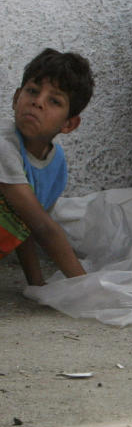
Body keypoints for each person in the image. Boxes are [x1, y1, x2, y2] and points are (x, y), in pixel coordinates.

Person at [0, 49, 94, 286]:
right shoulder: (4, 144)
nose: (37, 102)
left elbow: (28, 226)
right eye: (32, 91)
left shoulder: (55, 166)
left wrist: (36, 286)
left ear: (69, 123)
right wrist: (86, 289)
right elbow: (44, 227)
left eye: (54, 101)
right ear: (16, 98)